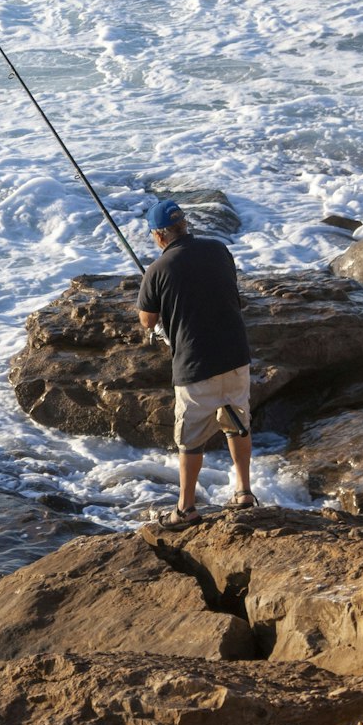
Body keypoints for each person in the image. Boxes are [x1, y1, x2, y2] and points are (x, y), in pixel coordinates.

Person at [136, 197, 255, 525]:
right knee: (237, 423)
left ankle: (186, 509)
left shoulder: (158, 269)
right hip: (235, 356)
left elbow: (147, 320)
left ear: (160, 236)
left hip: (195, 366)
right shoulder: (218, 250)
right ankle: (244, 491)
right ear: (184, 225)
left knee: (190, 440)